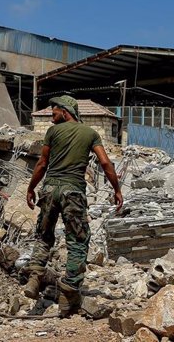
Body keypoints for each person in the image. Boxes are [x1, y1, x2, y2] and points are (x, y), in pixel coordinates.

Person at [24, 95, 122, 317]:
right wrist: (116, 189)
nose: (51, 114)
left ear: (66, 111)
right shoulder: (90, 133)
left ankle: (36, 274)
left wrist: (31, 188)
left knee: (44, 235)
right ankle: (69, 292)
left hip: (49, 190)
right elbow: (105, 163)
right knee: (77, 241)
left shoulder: (53, 133)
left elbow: (42, 163)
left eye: (54, 110)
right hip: (73, 192)